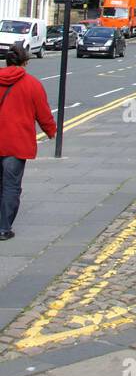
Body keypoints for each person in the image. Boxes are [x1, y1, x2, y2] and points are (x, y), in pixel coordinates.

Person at [0, 43, 57, 241]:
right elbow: (43, 112)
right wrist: (51, 131)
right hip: (16, 143)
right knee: (11, 186)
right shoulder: (32, 84)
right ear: (25, 62)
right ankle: (3, 228)